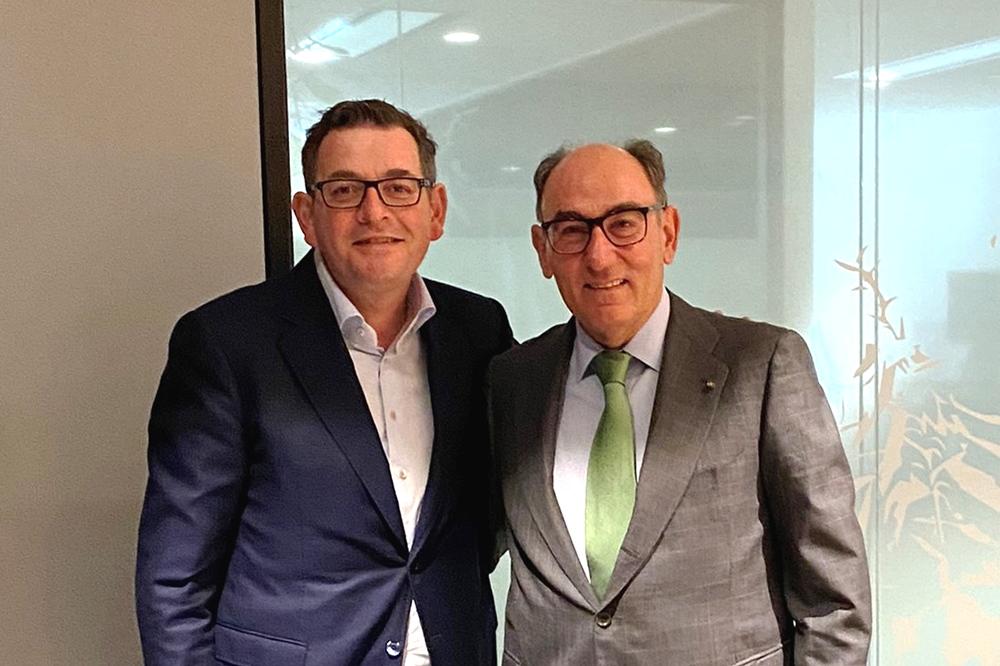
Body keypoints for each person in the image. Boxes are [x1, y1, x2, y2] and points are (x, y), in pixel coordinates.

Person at [136, 99, 512, 666]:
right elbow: (174, 581)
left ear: (435, 210)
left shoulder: (479, 331)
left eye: (399, 187)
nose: (374, 211)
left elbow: (486, 521)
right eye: (343, 189)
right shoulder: (226, 343)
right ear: (307, 216)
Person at [487, 140, 871, 665]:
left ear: (667, 233)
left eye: (624, 223)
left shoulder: (763, 365)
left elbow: (835, 603)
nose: (599, 256)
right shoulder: (512, 382)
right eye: (572, 230)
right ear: (543, 250)